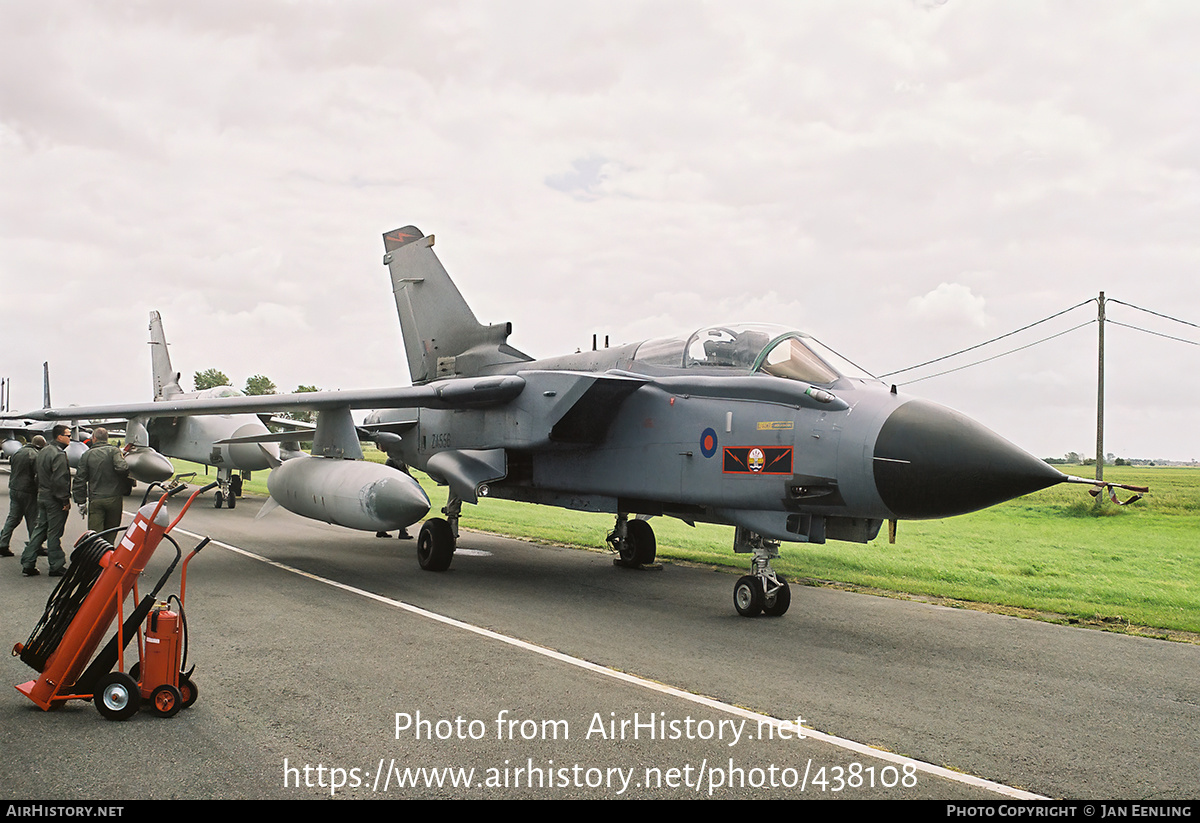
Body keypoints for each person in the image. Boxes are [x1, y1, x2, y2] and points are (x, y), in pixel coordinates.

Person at [22, 425, 72, 577]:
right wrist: (64, 500)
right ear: (59, 437)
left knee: (40, 529)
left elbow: (38, 475)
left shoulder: (43, 451)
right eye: (68, 435)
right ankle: (56, 565)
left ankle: (28, 561)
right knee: (54, 532)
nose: (70, 438)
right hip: (54, 498)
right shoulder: (58, 455)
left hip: (42, 495)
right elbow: (60, 480)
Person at [73, 427, 129, 544]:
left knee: (95, 536)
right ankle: (107, 557)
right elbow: (122, 468)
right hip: (114, 498)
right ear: (107, 438)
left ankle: (96, 558)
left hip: (96, 499)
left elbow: (80, 479)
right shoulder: (114, 451)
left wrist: (81, 501)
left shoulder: (87, 455)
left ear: (94, 438)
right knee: (111, 532)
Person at [0, 435, 44, 557]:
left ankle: (3, 543)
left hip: (14, 488)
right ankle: (35, 545)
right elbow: (37, 475)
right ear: (40, 446)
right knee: (33, 519)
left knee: (13, 518)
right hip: (28, 490)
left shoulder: (17, 452)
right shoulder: (35, 455)